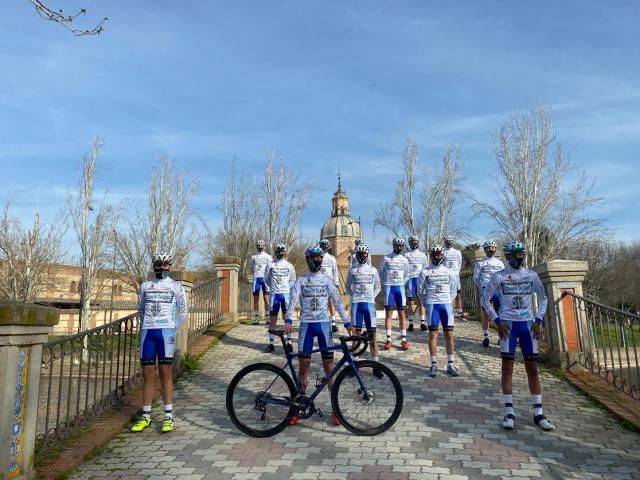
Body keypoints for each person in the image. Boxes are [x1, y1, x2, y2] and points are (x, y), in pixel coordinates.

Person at [483, 241, 555, 431]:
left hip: (527, 326)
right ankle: (509, 412)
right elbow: (485, 299)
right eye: (515, 255)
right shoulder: (499, 276)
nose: (519, 258)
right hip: (508, 325)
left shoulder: (531, 275)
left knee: (532, 368)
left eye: (521, 254)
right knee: (507, 368)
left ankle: (538, 413)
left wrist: (538, 320)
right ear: (508, 257)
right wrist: (497, 321)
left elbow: (543, 297)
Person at [284, 246, 355, 426]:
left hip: (324, 326)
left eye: (319, 258)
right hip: (306, 326)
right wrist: (288, 320)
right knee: (304, 367)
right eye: (314, 258)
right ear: (308, 260)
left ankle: (335, 409)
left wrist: (347, 323)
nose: (317, 261)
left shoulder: (327, 280)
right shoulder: (301, 280)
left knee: (329, 367)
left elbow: (338, 303)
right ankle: (299, 406)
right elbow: (292, 300)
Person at [131, 252, 187, 433]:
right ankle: (146, 416)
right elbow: (140, 310)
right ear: (154, 266)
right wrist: (147, 324)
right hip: (148, 332)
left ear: (170, 266)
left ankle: (168, 416)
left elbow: (183, 312)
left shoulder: (176, 286)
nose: (162, 268)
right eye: (158, 264)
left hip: (166, 333)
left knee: (165, 373)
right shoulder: (145, 286)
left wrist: (172, 328)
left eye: (165, 265)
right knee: (147, 374)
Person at [418, 245, 459, 377]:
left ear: (442, 255)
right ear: (431, 255)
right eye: (435, 255)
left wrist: (447, 299)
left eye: (439, 254)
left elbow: (454, 290)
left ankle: (450, 364)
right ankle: (434, 364)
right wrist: (427, 303)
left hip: (446, 305)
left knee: (449, 335)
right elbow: (420, 292)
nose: (437, 257)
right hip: (432, 305)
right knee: (433, 334)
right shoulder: (425, 272)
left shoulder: (450, 272)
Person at [346, 244, 381, 360]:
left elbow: (378, 287)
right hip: (356, 305)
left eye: (364, 254)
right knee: (356, 335)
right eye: (359, 254)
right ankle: (355, 362)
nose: (362, 256)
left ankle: (376, 363)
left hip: (369, 305)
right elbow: (347, 287)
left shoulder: (373, 270)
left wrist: (371, 297)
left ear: (367, 255)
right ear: (357, 255)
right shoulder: (353, 270)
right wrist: (355, 296)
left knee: (372, 336)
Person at [264, 243, 296, 353]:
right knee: (273, 320)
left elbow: (293, 279)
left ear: (285, 252)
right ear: (275, 252)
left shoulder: (289, 265)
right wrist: (273, 288)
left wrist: (286, 287)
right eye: (278, 251)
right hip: (274, 295)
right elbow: (266, 278)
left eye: (282, 251)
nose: (280, 253)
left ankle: (289, 342)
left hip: (285, 295)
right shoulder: (270, 264)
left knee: (287, 319)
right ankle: (271, 344)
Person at [379, 237, 411, 350]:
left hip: (400, 288)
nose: (399, 248)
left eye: (401, 246)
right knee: (389, 314)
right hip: (389, 288)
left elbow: (407, 274)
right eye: (397, 246)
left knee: (402, 314)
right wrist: (386, 282)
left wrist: (402, 282)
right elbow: (381, 272)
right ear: (393, 246)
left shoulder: (404, 259)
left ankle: (403, 339)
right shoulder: (386, 258)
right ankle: (388, 339)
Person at [473, 240, 504, 347]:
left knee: (500, 312)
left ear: (495, 249)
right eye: (488, 248)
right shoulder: (480, 263)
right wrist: (482, 286)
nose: (491, 249)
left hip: (497, 289)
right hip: (486, 288)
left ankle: (501, 336)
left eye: (493, 248)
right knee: (485, 312)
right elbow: (476, 278)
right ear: (485, 249)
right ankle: (486, 336)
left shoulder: (500, 263)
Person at [403, 235, 428, 332]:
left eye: (415, 241)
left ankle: (422, 323)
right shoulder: (406, 255)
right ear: (409, 243)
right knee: (411, 303)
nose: (414, 243)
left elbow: (425, 268)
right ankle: (411, 323)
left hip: (420, 279)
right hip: (410, 279)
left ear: (418, 242)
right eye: (412, 242)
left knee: (421, 302)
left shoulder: (423, 255)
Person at [318, 238, 341, 332]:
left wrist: (336, 283)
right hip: (319, 282)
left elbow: (335, 271)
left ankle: (333, 323)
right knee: (320, 302)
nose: (324, 247)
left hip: (329, 282)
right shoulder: (317, 256)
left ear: (328, 247)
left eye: (325, 246)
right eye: (322, 245)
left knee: (331, 302)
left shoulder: (332, 258)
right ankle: (320, 321)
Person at [250, 240, 273, 325]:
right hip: (256, 279)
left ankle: (267, 318)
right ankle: (256, 318)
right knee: (256, 299)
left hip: (265, 279)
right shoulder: (253, 257)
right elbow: (251, 268)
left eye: (262, 245)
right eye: (259, 246)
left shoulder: (268, 257)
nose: (260, 247)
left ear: (264, 246)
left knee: (266, 298)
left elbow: (271, 268)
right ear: (257, 247)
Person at [443, 234, 464, 318]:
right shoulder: (443, 252)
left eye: (450, 241)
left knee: (458, 294)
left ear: (452, 242)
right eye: (447, 241)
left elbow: (460, 263)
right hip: (446, 276)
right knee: (447, 294)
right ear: (444, 242)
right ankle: (449, 310)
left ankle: (459, 312)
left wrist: (457, 272)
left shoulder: (457, 252)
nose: (449, 242)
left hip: (455, 276)